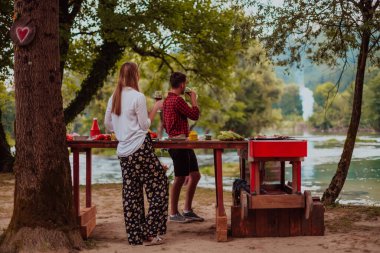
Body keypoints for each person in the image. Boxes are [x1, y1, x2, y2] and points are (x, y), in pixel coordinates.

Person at [104, 62, 168, 246]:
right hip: (140, 148)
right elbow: (145, 125)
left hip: (124, 152)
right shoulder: (138, 97)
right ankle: (149, 231)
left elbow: (108, 125)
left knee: (132, 194)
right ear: (136, 76)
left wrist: (122, 127)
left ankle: (135, 236)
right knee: (159, 187)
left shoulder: (113, 98)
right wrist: (155, 108)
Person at [162, 72, 204, 223]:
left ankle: (187, 210)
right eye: (185, 83)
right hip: (178, 142)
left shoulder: (167, 100)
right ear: (182, 85)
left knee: (195, 175)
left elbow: (166, 123)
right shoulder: (177, 100)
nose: (185, 86)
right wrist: (193, 100)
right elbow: (194, 115)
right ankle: (173, 213)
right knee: (180, 177)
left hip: (182, 141)